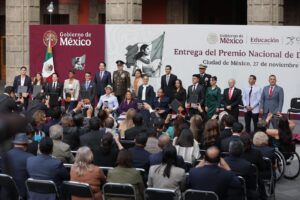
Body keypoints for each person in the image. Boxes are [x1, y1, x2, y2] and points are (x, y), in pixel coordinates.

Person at [1, 133, 34, 200]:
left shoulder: (4, 155)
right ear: (26, 145)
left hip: (5, 194)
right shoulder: (30, 158)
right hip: (21, 194)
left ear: (14, 144)